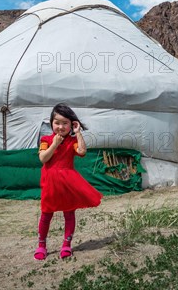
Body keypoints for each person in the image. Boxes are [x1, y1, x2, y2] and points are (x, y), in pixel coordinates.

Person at [34, 103, 102, 260]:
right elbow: (43, 158)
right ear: (51, 123)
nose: (61, 126)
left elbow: (82, 152)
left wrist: (78, 133)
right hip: (50, 182)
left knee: (69, 213)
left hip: (67, 182)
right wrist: (54, 144)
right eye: (57, 122)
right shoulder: (46, 139)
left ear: (72, 124)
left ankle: (66, 245)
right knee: (46, 214)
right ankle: (41, 245)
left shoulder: (72, 141)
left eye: (65, 123)